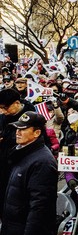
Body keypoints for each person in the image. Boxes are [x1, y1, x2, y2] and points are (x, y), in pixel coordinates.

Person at [0, 88, 35, 216]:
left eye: (5, 108)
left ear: (16, 103)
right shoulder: (4, 117)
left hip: (19, 169)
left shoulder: (31, 118)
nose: (3, 112)